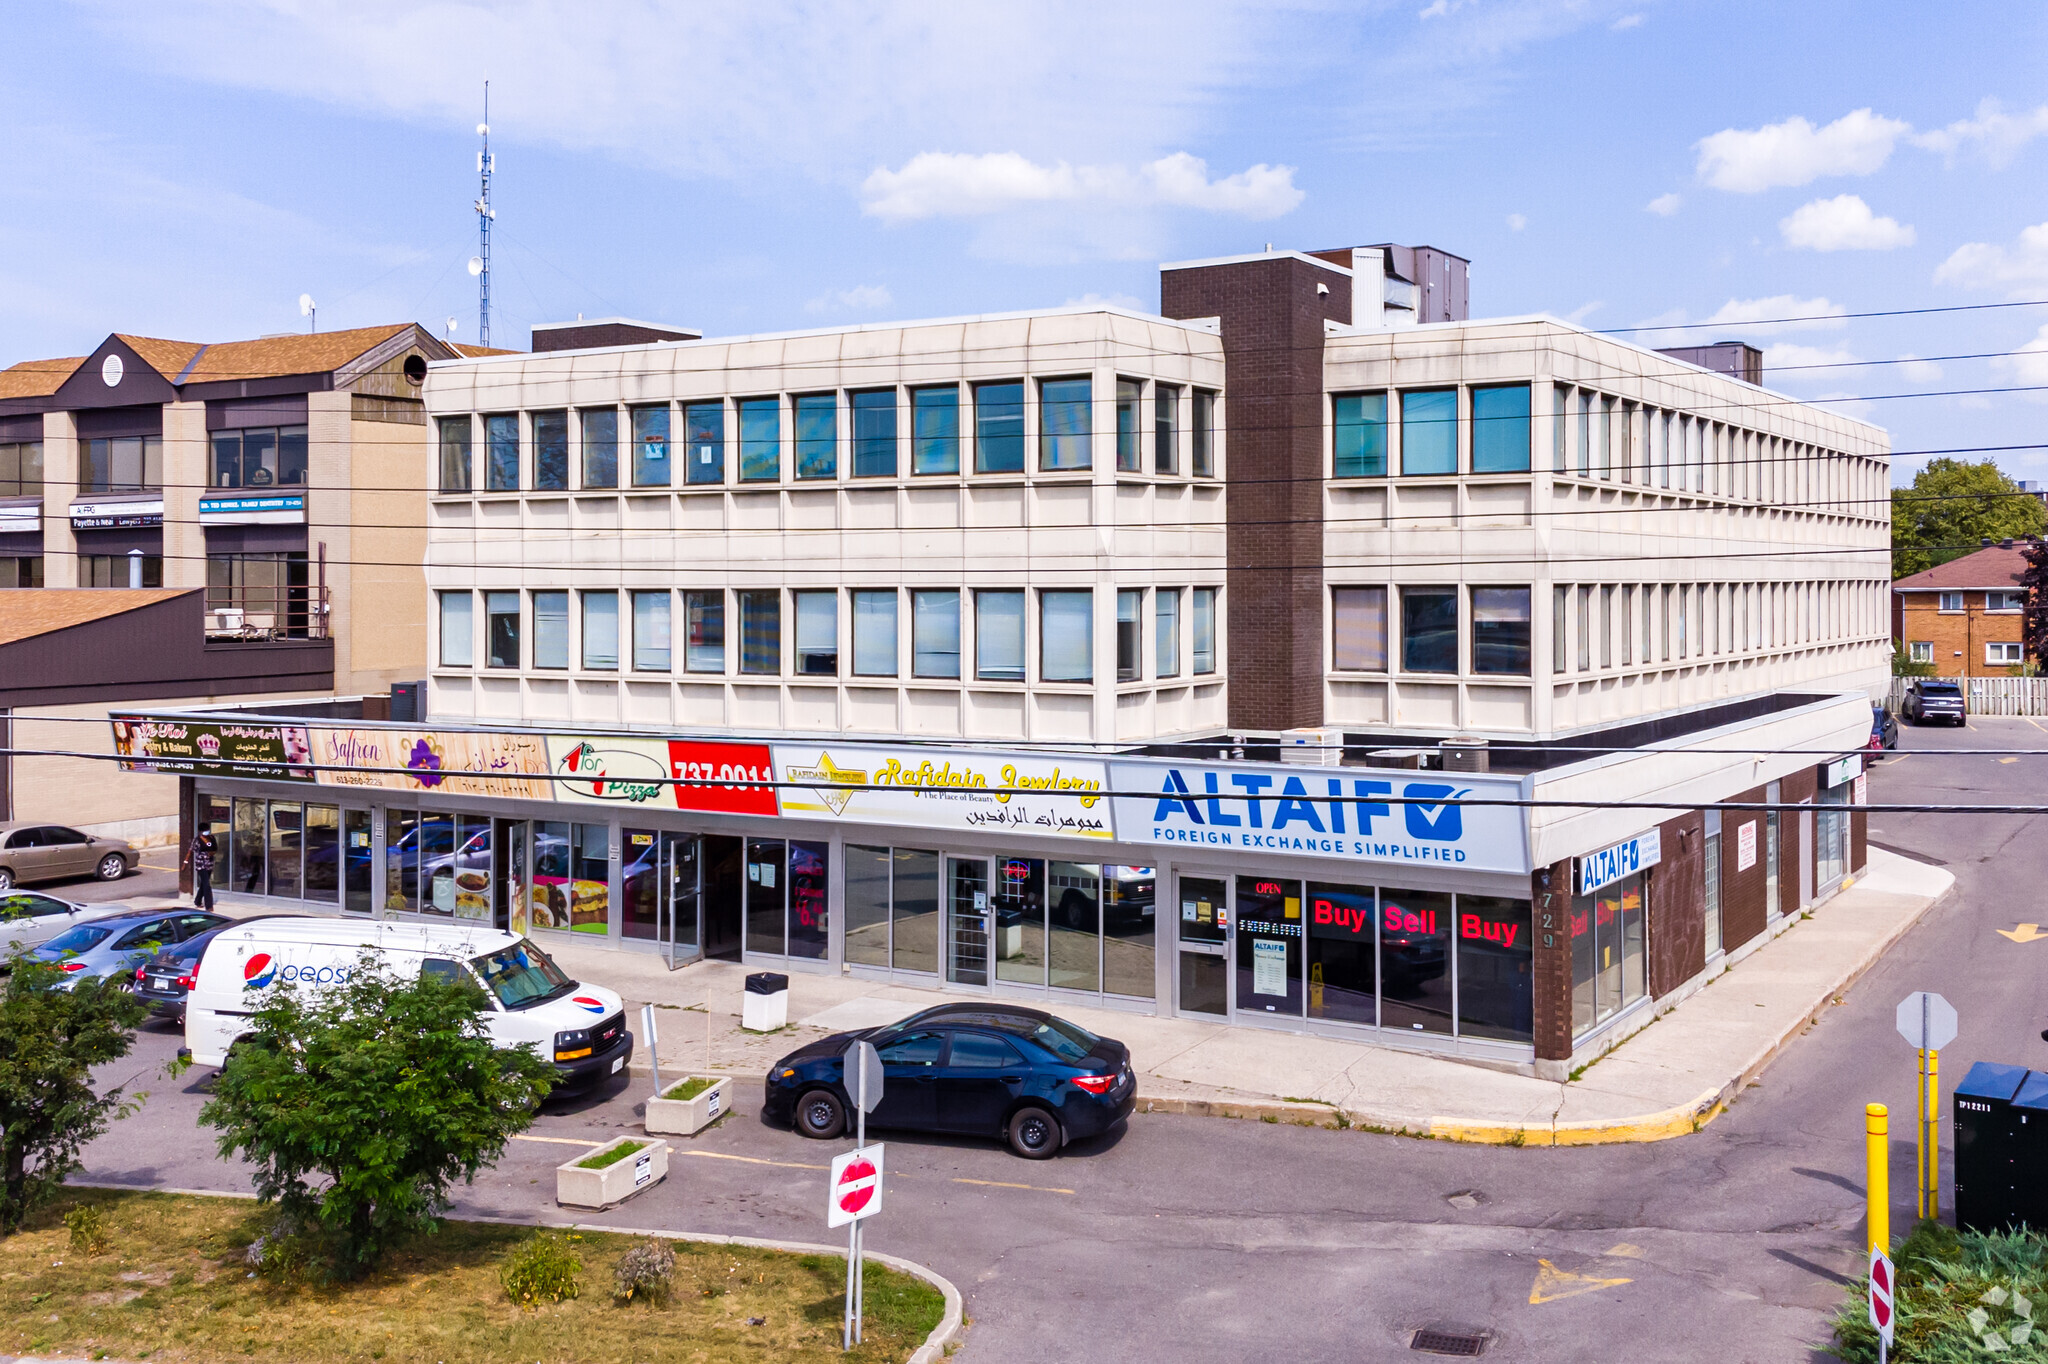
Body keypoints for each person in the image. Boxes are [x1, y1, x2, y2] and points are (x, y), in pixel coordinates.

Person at [186, 828, 218, 910]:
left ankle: (197, 901)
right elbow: (191, 850)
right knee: (207, 885)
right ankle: (209, 906)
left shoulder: (211, 839)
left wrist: (211, 853)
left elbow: (215, 849)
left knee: (204, 884)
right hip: (201, 866)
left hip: (209, 865)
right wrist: (185, 861)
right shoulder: (196, 840)